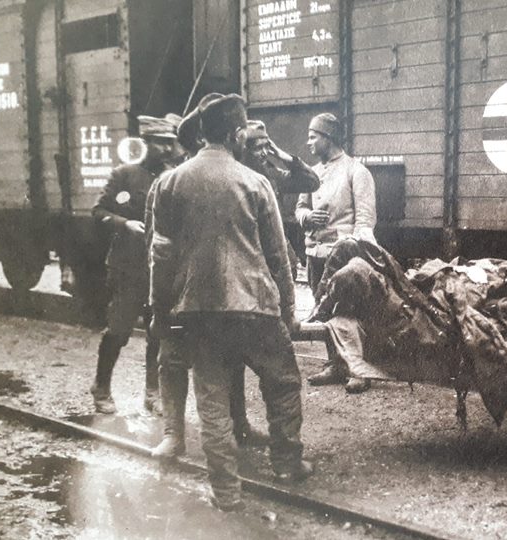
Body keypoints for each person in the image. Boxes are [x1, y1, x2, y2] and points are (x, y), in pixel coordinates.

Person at [150, 93, 311, 511]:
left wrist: (160, 309)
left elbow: (160, 256)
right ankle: (286, 464)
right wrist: (288, 311)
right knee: (282, 382)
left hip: (198, 309)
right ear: (237, 134)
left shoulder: (168, 183)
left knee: (212, 397)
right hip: (255, 306)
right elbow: (278, 256)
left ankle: (225, 491)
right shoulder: (255, 182)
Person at [148, 102, 268, 459]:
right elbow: (156, 248)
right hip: (178, 290)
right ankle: (174, 434)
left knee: (225, 359)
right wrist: (157, 302)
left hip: (204, 291)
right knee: (173, 360)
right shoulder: (168, 184)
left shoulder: (209, 179)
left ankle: (236, 425)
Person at [89, 115, 177, 415]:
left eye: (170, 143)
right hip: (127, 268)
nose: (167, 149)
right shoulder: (124, 175)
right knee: (118, 330)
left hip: (159, 269)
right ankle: (101, 387)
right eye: (160, 143)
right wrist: (124, 224)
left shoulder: (172, 176)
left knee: (158, 333)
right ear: (146, 143)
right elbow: (98, 211)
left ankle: (152, 393)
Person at [296, 112, 377, 394]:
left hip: (342, 257)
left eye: (313, 136)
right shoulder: (310, 174)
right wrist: (307, 218)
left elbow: (365, 221)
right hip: (315, 253)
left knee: (348, 311)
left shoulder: (356, 171)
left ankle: (358, 370)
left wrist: (353, 254)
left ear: (328, 137)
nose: (308, 142)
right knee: (324, 309)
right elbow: (299, 208)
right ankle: (335, 364)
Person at [242, 119, 320, 280]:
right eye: (258, 148)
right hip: (250, 254)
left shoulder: (271, 174)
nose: (264, 152)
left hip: (277, 253)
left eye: (266, 147)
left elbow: (311, 182)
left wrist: (282, 155)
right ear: (244, 150)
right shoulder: (235, 178)